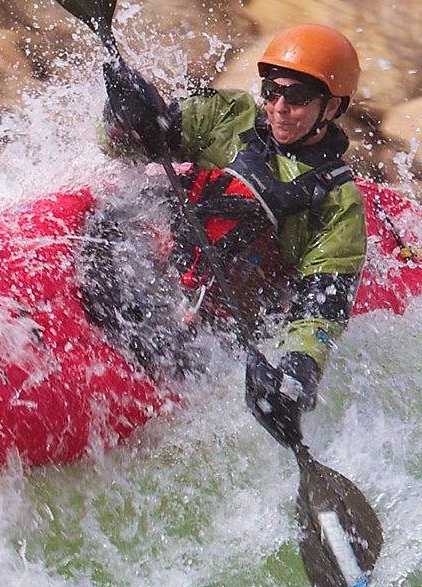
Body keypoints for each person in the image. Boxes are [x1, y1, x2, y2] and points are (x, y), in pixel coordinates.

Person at [87, 23, 367, 448]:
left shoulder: (337, 203)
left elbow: (322, 306)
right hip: (158, 276)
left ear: (330, 108)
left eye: (296, 98)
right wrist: (126, 120)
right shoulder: (228, 115)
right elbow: (134, 146)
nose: (279, 108)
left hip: (223, 331)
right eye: (272, 91)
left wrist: (296, 374)